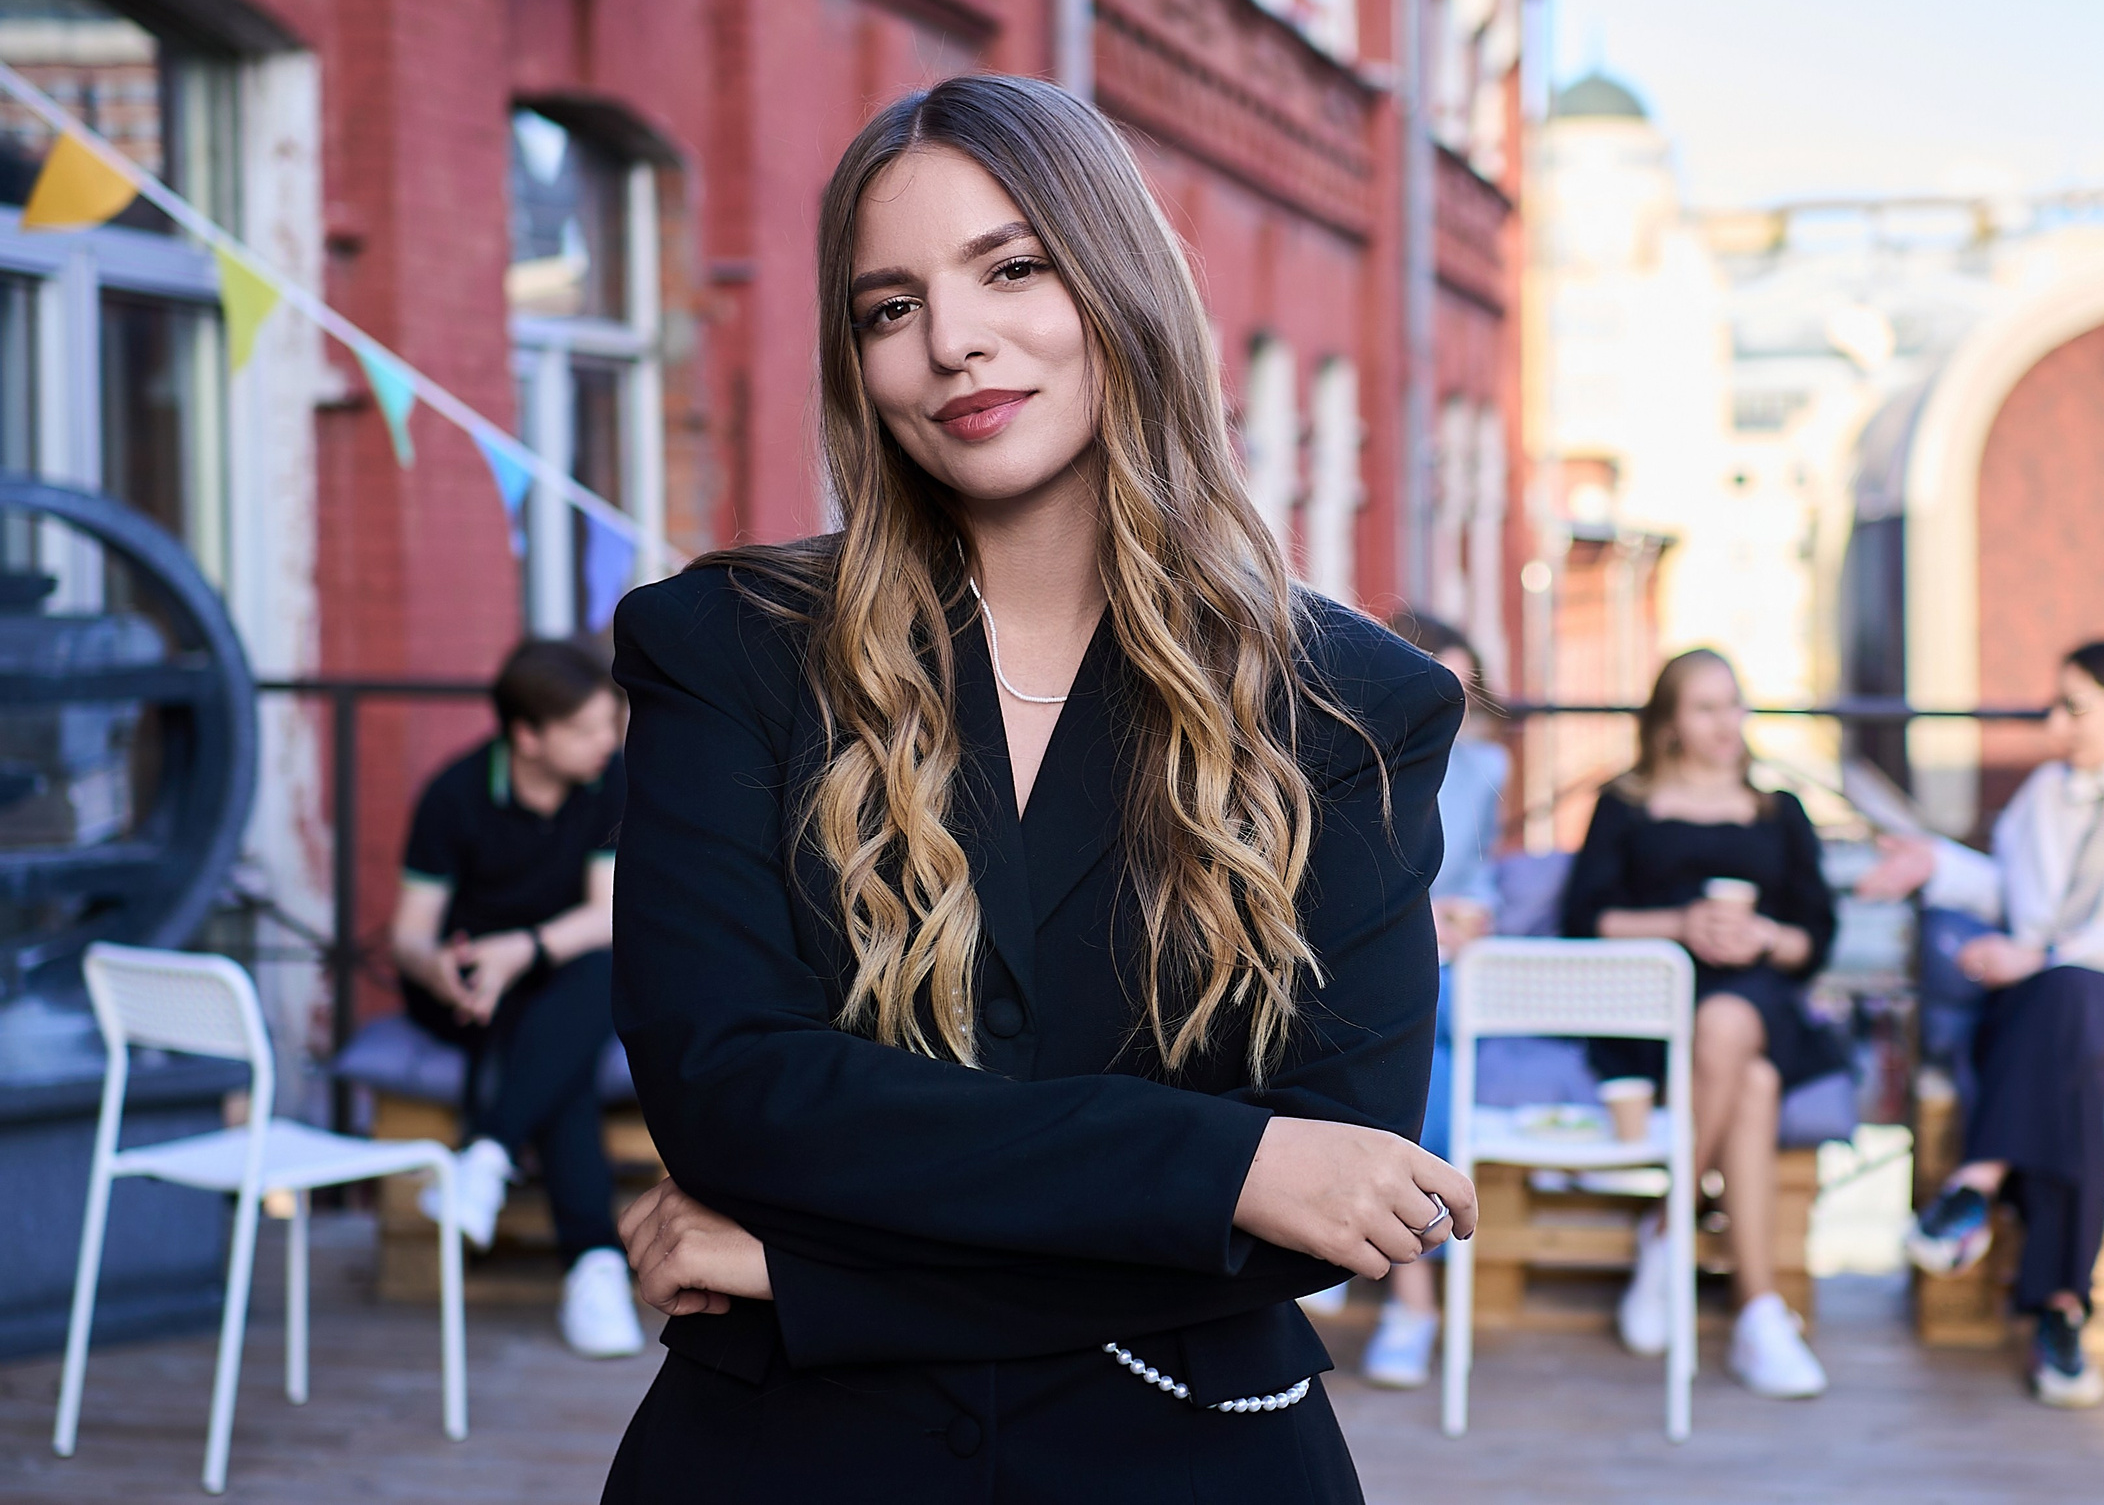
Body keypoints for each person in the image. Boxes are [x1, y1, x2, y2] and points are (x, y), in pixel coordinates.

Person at [600, 74, 1475, 1503]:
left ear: (1119, 285)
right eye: (890, 307)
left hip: (1188, 1462)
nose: (954, 341)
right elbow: (734, 1096)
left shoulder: (1355, 703)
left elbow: (1334, 1198)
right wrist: (1226, 1166)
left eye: (1012, 267)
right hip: (796, 1463)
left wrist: (812, 1274)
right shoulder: (728, 649)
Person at [1858, 640, 2104, 1410]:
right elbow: (2013, 893)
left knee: (2063, 993)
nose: (2055, 721)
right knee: (2072, 1064)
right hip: (2061, 1022)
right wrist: (1937, 864)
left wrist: (2045, 958)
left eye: (2075, 706)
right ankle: (2061, 1310)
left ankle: (1977, 1179)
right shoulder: (2045, 797)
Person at [1560, 648, 1836, 1399]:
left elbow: (1816, 933)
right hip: (1649, 1004)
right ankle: (1757, 1311)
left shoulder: (1781, 811)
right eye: (1706, 707)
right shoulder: (1625, 804)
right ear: (1671, 721)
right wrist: (1679, 922)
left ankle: (1666, 1227)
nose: (1726, 723)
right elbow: (1585, 920)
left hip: (1757, 994)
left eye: (1734, 704)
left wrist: (1765, 938)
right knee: (1751, 1080)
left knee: (1731, 1021)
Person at [391, 638, 638, 1360]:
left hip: (555, 971)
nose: (607, 742)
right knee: (562, 1037)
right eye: (589, 728)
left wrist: (523, 950)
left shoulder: (607, 782)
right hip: (463, 989)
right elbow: (409, 932)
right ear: (527, 736)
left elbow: (609, 911)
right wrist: (437, 966)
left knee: (591, 977)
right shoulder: (456, 794)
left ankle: (488, 1155)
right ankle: (594, 1268)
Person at [1359, 613, 1509, 1390]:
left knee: (1432, 1054)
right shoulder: (1355, 757)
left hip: (1459, 963)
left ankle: (1405, 1295)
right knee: (1411, 1051)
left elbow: (1486, 875)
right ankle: (1412, 1298)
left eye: (1457, 688)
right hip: (1384, 955)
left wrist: (1473, 917)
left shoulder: (1485, 767)